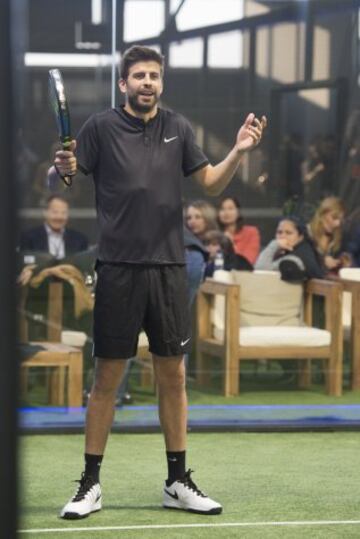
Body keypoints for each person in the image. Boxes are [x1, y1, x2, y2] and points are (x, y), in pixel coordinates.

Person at [51, 45, 266, 519]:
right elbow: (62, 177)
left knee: (174, 375)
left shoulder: (179, 128)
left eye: (154, 75)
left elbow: (210, 183)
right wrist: (61, 168)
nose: (147, 82)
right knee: (107, 376)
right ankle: (90, 484)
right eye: (139, 76)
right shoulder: (100, 128)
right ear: (123, 84)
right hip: (118, 269)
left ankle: (177, 480)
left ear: (161, 83)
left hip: (168, 269)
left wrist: (238, 151)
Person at [18, 194, 88, 285]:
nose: (59, 217)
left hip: (71, 291)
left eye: (63, 213)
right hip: (38, 290)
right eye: (55, 212)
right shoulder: (29, 237)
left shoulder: (80, 240)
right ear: (45, 212)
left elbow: (84, 270)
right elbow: (23, 267)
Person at [255, 216, 324, 281]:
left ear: (300, 237)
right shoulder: (289, 252)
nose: (282, 236)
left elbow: (261, 272)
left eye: (288, 233)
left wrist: (274, 245)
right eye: (279, 232)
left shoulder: (297, 258)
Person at [307, 197, 352, 275]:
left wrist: (341, 263)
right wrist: (322, 261)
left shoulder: (336, 239)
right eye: (334, 218)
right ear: (322, 214)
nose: (337, 223)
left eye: (340, 220)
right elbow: (302, 261)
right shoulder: (306, 233)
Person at [217, 196, 260, 266]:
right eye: (222, 209)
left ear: (238, 212)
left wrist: (230, 245)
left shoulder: (251, 232)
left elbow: (248, 261)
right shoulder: (214, 235)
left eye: (230, 208)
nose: (226, 212)